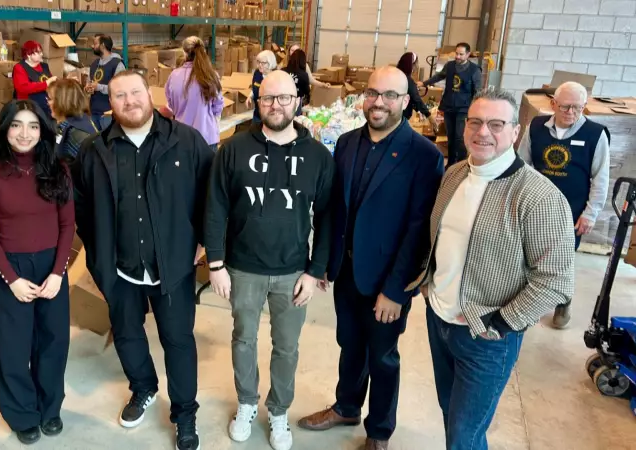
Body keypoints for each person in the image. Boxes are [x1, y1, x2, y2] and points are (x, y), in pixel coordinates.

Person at [408, 88, 574, 450]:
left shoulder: (539, 196)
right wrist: (427, 281)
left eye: (496, 124)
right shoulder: (454, 174)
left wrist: (500, 323)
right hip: (440, 320)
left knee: (464, 435)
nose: (483, 132)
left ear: (515, 132)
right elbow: (437, 236)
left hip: (486, 337)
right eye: (475, 122)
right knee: (451, 417)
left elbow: (556, 280)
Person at [298, 67, 444, 450]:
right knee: (350, 344)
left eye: (390, 95)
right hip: (347, 271)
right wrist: (326, 262)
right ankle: (347, 407)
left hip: (387, 279)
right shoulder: (347, 142)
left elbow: (419, 231)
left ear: (405, 102)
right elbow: (334, 209)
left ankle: (379, 431)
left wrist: (396, 291)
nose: (379, 102)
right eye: (372, 93)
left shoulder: (424, 156)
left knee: (382, 357)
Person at [71, 70, 214, 450]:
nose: (130, 101)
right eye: (120, 96)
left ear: (150, 95)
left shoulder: (187, 141)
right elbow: (81, 207)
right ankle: (143, 387)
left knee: (178, 340)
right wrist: (98, 253)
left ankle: (185, 414)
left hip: (173, 265)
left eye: (135, 92)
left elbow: (211, 195)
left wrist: (204, 242)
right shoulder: (93, 151)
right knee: (127, 333)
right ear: (110, 103)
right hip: (119, 268)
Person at [205, 70, 335, 450]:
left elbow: (328, 217)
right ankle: (247, 403)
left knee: (287, 347)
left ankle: (279, 411)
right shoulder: (233, 149)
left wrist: (315, 271)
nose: (276, 105)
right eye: (267, 98)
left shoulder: (317, 157)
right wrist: (216, 264)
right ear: (257, 102)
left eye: (284, 98)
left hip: (293, 271)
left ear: (298, 101)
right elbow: (215, 208)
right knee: (243, 339)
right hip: (243, 268)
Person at [0, 100, 75, 446]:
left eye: (33, 126)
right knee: (13, 347)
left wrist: (58, 272)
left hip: (52, 267)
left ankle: (50, 408)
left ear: (43, 131)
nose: (24, 133)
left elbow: (67, 225)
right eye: (16, 125)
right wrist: (11, 279)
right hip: (11, 267)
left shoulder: (58, 170)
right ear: (5, 129)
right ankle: (22, 413)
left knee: (53, 343)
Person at [517, 81, 610, 329]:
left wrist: (591, 213)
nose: (571, 113)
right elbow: (522, 164)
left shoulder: (595, 134)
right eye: (566, 107)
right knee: (529, 255)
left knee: (563, 259)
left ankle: (563, 302)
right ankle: (527, 303)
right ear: (553, 104)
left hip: (573, 210)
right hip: (536, 206)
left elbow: (601, 178)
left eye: (578, 108)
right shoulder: (536, 127)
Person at [419, 42, 482, 166]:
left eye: (461, 54)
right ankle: (451, 163)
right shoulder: (450, 66)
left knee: (459, 137)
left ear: (468, 54)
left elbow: (478, 92)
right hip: (448, 106)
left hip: (464, 109)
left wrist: (475, 110)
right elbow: (439, 76)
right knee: (450, 136)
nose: (457, 56)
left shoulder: (474, 70)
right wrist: (424, 83)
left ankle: (462, 164)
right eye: (456, 53)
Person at [165, 36, 225, 151]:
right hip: (207, 138)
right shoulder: (211, 75)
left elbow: (171, 104)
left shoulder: (173, 76)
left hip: (182, 138)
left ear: (184, 53)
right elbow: (218, 105)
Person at [48, 78, 99, 163]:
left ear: (62, 102)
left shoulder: (76, 134)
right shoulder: (69, 125)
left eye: (50, 99)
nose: (48, 103)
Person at [84, 33, 126, 130]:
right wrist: (88, 88)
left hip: (110, 113)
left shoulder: (117, 64)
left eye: (95, 44)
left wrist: (99, 87)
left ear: (102, 46)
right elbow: (88, 82)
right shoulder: (94, 64)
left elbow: (120, 89)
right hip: (94, 112)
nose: (93, 46)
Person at [13, 40, 58, 118]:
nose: (42, 54)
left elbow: (52, 83)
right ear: (28, 55)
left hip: (47, 103)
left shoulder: (44, 66)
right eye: (38, 52)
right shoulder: (19, 68)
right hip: (28, 106)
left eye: (41, 52)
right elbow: (23, 88)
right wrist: (46, 84)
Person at [397, 52, 437, 129]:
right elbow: (416, 99)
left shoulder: (398, 75)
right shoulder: (407, 80)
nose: (417, 66)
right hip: (401, 116)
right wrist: (429, 115)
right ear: (410, 65)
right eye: (416, 63)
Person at [244, 50, 278, 123]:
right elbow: (254, 87)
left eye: (263, 63)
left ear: (270, 63)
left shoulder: (276, 76)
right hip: (257, 114)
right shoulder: (257, 73)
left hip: (270, 116)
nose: (259, 65)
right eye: (258, 62)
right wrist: (250, 97)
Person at [282, 49, 310, 116]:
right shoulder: (304, 75)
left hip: (282, 100)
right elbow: (307, 90)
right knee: (295, 120)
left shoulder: (283, 71)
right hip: (296, 102)